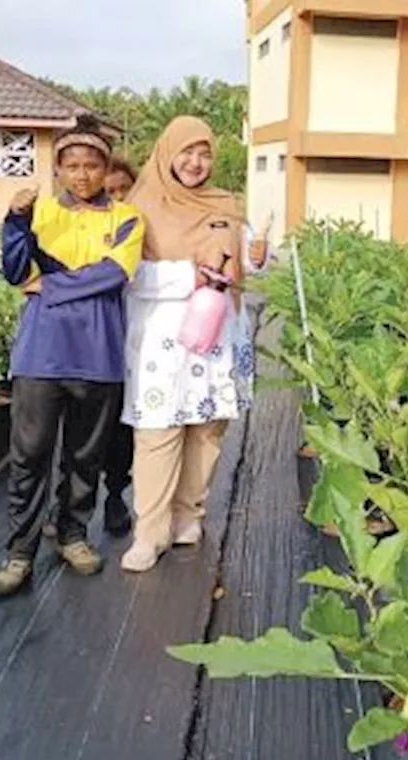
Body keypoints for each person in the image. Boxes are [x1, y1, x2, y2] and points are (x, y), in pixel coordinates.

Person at [0, 115, 146, 597]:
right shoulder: (39, 215)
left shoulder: (127, 219)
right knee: (29, 455)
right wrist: (14, 223)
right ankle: (19, 553)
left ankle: (73, 536)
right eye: (71, 166)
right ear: (58, 171)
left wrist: (49, 286)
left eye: (91, 166)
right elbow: (15, 271)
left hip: (97, 352)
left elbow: (113, 274)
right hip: (41, 352)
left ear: (105, 170)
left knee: (85, 456)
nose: (82, 175)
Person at [119, 116, 255, 573]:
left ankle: (188, 515)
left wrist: (259, 255)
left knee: (208, 426)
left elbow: (248, 255)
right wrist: (189, 275)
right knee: (159, 430)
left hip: (219, 332)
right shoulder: (141, 206)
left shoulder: (224, 203)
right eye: (187, 152)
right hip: (164, 337)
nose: (196, 163)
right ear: (166, 153)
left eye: (205, 154)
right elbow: (131, 274)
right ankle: (149, 533)